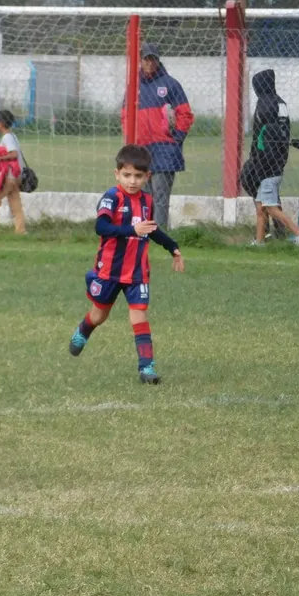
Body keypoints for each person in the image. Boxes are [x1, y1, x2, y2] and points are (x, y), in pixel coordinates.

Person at [67, 144, 185, 385]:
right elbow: (101, 227)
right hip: (109, 270)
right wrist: (132, 229)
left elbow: (151, 230)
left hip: (137, 273)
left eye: (138, 176)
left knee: (139, 316)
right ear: (117, 174)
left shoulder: (147, 201)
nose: (132, 181)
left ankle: (147, 368)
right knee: (99, 315)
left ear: (147, 176)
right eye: (127, 175)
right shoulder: (112, 197)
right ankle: (84, 329)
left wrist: (172, 247)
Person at [121, 43, 195, 228]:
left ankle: (159, 234)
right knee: (144, 196)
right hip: (141, 150)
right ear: (141, 60)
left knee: (160, 195)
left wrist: (176, 139)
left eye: (153, 59)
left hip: (164, 150)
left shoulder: (170, 84)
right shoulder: (133, 86)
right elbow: (125, 115)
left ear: (158, 60)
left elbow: (185, 114)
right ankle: (145, 231)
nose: (150, 63)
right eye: (147, 59)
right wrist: (131, 141)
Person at [239, 69, 299, 245]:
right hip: (279, 155)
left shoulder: (265, 103)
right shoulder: (280, 102)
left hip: (266, 158)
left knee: (263, 197)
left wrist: (258, 160)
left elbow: (262, 135)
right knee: (263, 199)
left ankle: (297, 233)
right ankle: (262, 237)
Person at [0, 109, 26, 234]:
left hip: (10, 177)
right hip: (16, 176)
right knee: (15, 202)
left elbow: (13, 154)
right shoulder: (13, 136)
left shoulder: (7, 137)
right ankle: (21, 231)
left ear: (2, 123)